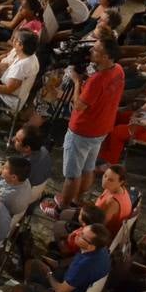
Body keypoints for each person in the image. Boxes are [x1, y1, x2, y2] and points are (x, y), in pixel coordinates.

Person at [42, 39, 125, 216]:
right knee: (88, 167)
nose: (91, 52)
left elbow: (79, 106)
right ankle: (77, 199)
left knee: (72, 174)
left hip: (82, 130)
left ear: (106, 56)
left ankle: (61, 209)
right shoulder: (118, 70)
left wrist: (77, 81)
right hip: (101, 127)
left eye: (96, 50)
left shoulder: (96, 80)